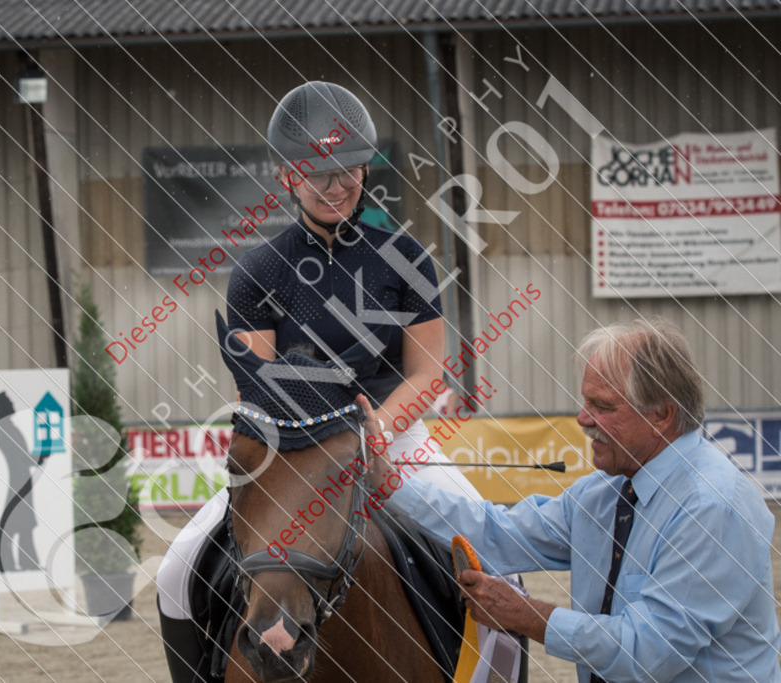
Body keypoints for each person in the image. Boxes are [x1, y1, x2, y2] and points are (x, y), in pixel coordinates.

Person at [157, 81, 481, 681]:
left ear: (364, 170)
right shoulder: (258, 271)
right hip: (292, 449)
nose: (336, 186)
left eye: (347, 171)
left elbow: (426, 371)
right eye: (318, 174)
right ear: (288, 177)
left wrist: (375, 428)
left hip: (392, 436)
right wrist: (312, 438)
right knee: (175, 569)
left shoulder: (407, 258)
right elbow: (256, 388)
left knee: (492, 557)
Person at [363, 319, 781, 682]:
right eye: (585, 402)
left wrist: (527, 615)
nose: (583, 418)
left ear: (661, 415)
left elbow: (649, 652)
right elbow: (500, 533)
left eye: (602, 406)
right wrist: (392, 485)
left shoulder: (713, 507)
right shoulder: (605, 492)